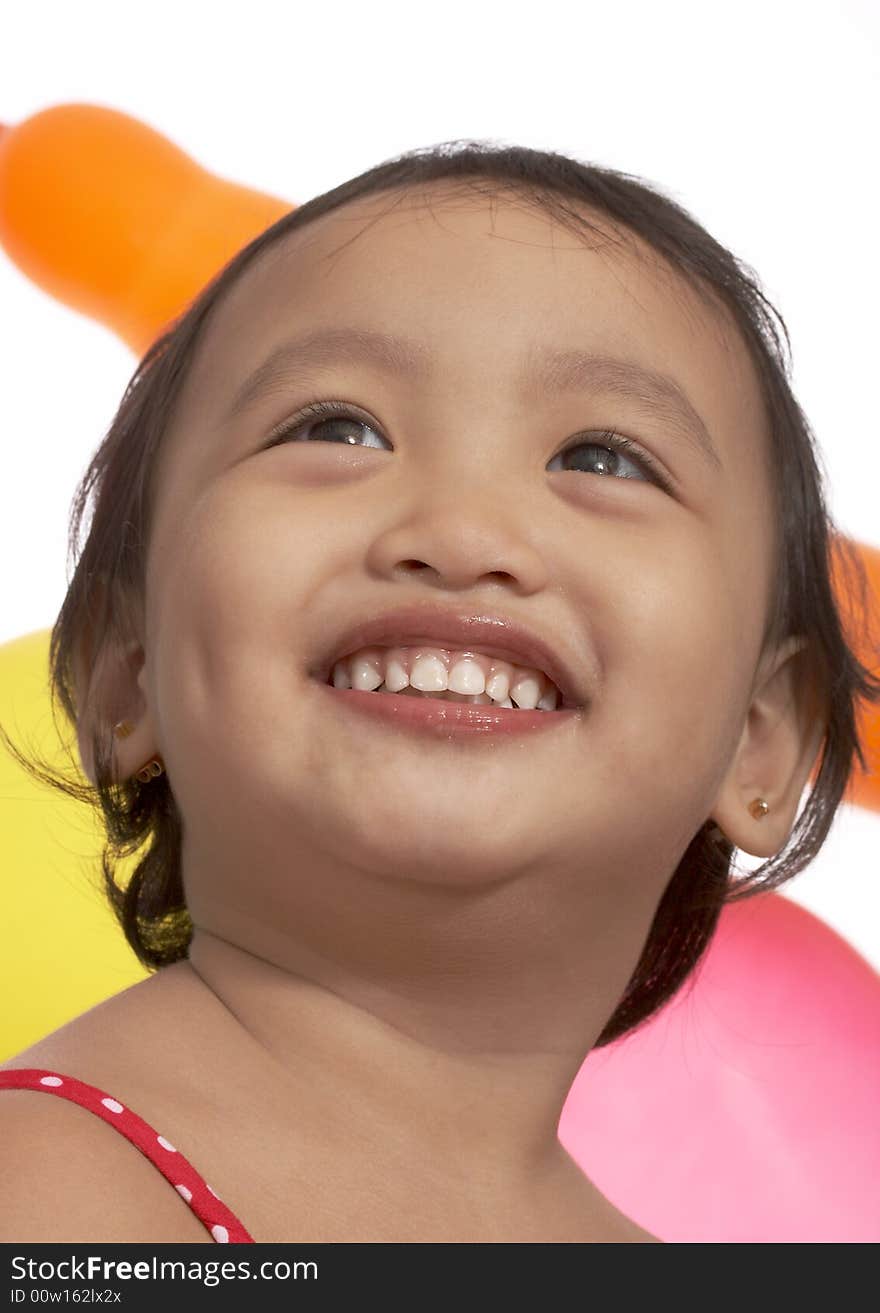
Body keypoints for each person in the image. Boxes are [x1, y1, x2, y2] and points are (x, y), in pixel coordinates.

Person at [1, 141, 877, 1245]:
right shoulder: (45, 1205)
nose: (463, 533)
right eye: (336, 427)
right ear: (122, 671)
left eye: (603, 458)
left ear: (761, 744)